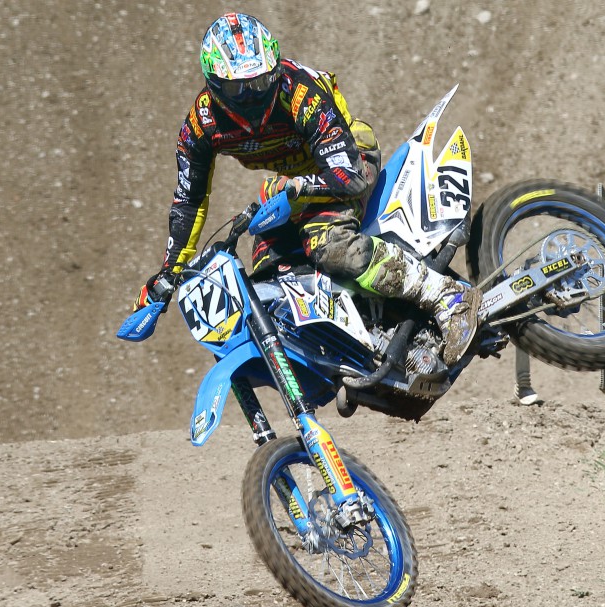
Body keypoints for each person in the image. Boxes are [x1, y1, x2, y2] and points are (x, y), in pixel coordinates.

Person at [132, 13, 481, 365]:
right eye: (241, 88)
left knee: (327, 242)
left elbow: (350, 174)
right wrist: (169, 273)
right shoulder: (201, 124)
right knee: (270, 277)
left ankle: (447, 297)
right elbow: (188, 201)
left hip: (347, 159)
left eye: (262, 80)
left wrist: (298, 186)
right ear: (215, 84)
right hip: (297, 189)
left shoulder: (299, 92)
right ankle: (364, 341)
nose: (254, 94)